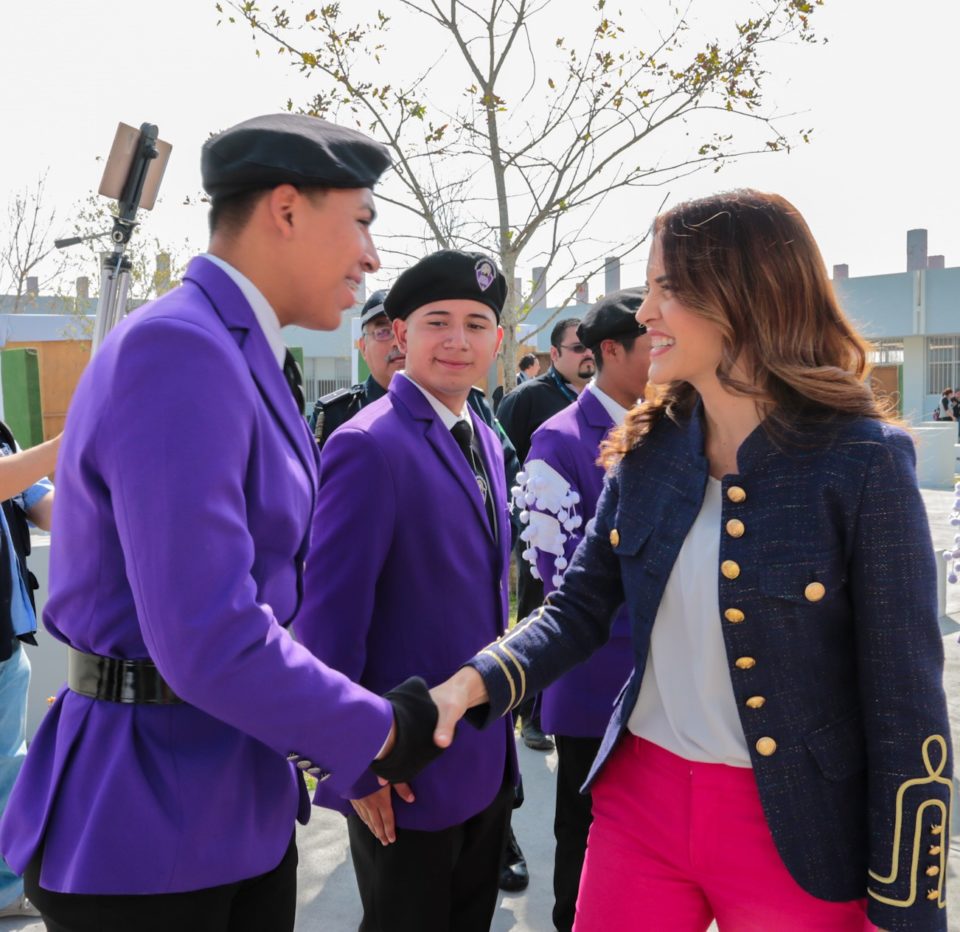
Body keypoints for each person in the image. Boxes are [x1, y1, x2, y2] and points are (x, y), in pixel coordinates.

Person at [432, 189, 953, 931]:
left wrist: (906, 905)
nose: (645, 313)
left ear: (745, 294)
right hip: (639, 805)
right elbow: (577, 608)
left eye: (667, 288)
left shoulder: (862, 461)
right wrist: (469, 685)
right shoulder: (649, 449)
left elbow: (904, 698)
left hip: (801, 827)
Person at [0, 114, 442, 932]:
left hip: (226, 800)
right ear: (286, 210)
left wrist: (339, 745)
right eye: (361, 222)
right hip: (149, 819)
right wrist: (380, 731)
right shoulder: (179, 348)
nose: (372, 257)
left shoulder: (233, 348)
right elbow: (209, 633)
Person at [295, 249, 518, 932]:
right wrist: (354, 768)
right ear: (400, 335)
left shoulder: (482, 435)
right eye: (437, 322)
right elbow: (329, 625)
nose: (458, 341)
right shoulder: (368, 444)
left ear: (498, 341)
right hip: (404, 768)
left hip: (484, 756)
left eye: (476, 324)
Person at [514, 290, 648, 932]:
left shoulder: (674, 425)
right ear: (611, 351)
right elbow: (561, 581)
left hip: (670, 686)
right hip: (597, 681)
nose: (665, 355)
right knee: (587, 847)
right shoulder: (560, 439)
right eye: (652, 344)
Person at [311, 289, 521, 506]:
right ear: (363, 347)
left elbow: (510, 484)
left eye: (406, 330)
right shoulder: (338, 415)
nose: (396, 343)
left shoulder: (470, 404)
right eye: (383, 331)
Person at [0, 428, 59, 921]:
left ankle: (4, 891)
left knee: (7, 769)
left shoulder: (1, 436)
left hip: (7, 638)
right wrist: (74, 436)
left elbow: (47, 506)